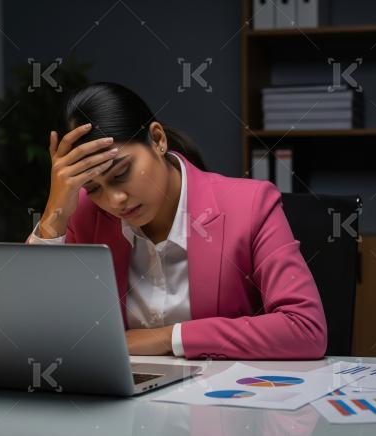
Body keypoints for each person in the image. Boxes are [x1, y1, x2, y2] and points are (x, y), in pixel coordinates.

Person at [27, 82, 326, 360]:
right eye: (92, 188)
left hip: (224, 405)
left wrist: (166, 338)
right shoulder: (82, 213)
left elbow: (305, 328)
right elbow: (31, 332)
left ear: (157, 139)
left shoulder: (251, 205)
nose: (114, 200)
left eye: (121, 173)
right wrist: (54, 214)